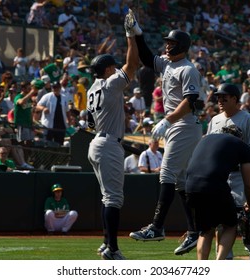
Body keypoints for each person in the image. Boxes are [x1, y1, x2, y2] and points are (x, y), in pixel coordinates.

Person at [126, 11, 205, 255]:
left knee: (167, 173)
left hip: (184, 124)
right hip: (177, 125)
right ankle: (194, 231)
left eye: (170, 42)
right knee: (181, 181)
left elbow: (191, 100)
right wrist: (137, 34)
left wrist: (167, 120)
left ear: (180, 46)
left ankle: (158, 227)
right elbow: (148, 58)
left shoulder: (187, 69)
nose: (166, 45)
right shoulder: (169, 63)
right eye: (167, 42)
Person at [86, 11, 139, 260]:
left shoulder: (91, 89)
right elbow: (133, 65)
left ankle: (107, 242)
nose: (116, 69)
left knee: (107, 196)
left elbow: (87, 122)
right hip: (107, 143)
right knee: (114, 198)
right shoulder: (109, 84)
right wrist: (131, 37)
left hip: (97, 141)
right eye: (113, 67)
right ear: (107, 69)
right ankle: (113, 249)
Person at [206, 83, 250, 260]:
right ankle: (226, 257)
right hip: (220, 177)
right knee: (220, 220)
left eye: (224, 97)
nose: (220, 100)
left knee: (245, 219)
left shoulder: (247, 119)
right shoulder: (214, 120)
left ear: (234, 98)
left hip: (240, 176)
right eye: (218, 97)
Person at [185, 125, 250, 260]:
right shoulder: (241, 145)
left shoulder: (205, 139)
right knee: (230, 225)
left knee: (206, 231)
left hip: (191, 186)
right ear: (240, 137)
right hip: (214, 185)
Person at [36, 81, 70, 145]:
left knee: (59, 143)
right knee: (48, 143)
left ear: (60, 88)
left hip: (60, 125)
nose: (55, 89)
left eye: (57, 87)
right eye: (54, 87)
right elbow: (38, 106)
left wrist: (69, 120)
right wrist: (43, 108)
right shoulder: (47, 96)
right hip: (49, 125)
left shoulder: (64, 97)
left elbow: (67, 110)